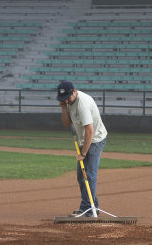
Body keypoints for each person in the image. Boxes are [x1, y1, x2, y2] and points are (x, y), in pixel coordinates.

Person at [56, 81, 107, 217]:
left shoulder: (82, 103)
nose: (66, 100)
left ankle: (88, 209)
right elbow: (67, 124)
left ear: (74, 91)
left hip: (95, 139)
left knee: (88, 175)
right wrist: (63, 108)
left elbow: (90, 131)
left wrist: (83, 153)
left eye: (68, 97)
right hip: (83, 140)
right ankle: (92, 205)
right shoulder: (67, 102)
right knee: (81, 176)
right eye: (63, 99)